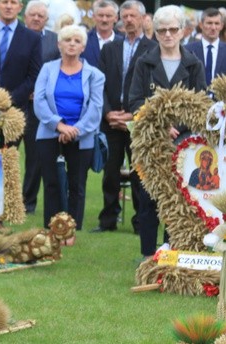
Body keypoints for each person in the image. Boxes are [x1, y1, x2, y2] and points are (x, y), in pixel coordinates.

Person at [128, 5, 207, 258]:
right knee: (149, 199)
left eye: (173, 29)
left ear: (182, 31)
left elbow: (201, 103)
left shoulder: (194, 64)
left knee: (178, 199)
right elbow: (135, 101)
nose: (168, 35)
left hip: (185, 143)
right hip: (152, 142)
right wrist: (159, 124)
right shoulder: (144, 62)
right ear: (155, 32)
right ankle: (147, 255)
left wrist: (179, 126)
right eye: (162, 30)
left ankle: (171, 251)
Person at [34, 25, 105, 242]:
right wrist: (59, 126)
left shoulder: (95, 74)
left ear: (83, 47)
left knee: (76, 184)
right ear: (59, 44)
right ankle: (52, 229)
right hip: (49, 134)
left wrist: (75, 130)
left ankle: (71, 231)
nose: (72, 44)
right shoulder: (47, 69)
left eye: (76, 40)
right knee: (52, 183)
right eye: (67, 40)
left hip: (81, 137)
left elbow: (95, 108)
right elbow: (39, 100)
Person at [93, 0, 154, 233]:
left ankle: (141, 222)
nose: (128, 20)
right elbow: (100, 83)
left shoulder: (153, 49)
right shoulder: (110, 48)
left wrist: (133, 115)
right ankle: (108, 219)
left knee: (140, 173)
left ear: (142, 18)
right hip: (111, 120)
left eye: (132, 16)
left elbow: (153, 88)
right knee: (110, 173)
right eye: (125, 16)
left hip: (137, 122)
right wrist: (108, 112)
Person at [22, 0, 60, 214]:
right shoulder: (17, 36)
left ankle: (28, 202)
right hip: (15, 103)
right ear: (25, 17)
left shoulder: (55, 41)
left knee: (35, 157)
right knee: (5, 153)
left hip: (41, 108)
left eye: (41, 16)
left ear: (46, 19)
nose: (36, 18)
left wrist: (42, 93)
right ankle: (1, 198)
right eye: (33, 15)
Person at [185, 8, 226, 87]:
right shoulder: (188, 50)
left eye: (217, 23)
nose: (213, 27)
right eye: (209, 23)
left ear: (221, 26)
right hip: (194, 98)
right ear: (201, 25)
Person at [80, 0, 121, 68]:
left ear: (116, 18)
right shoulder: (83, 40)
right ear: (94, 17)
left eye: (108, 16)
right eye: (101, 15)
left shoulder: (123, 42)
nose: (104, 20)